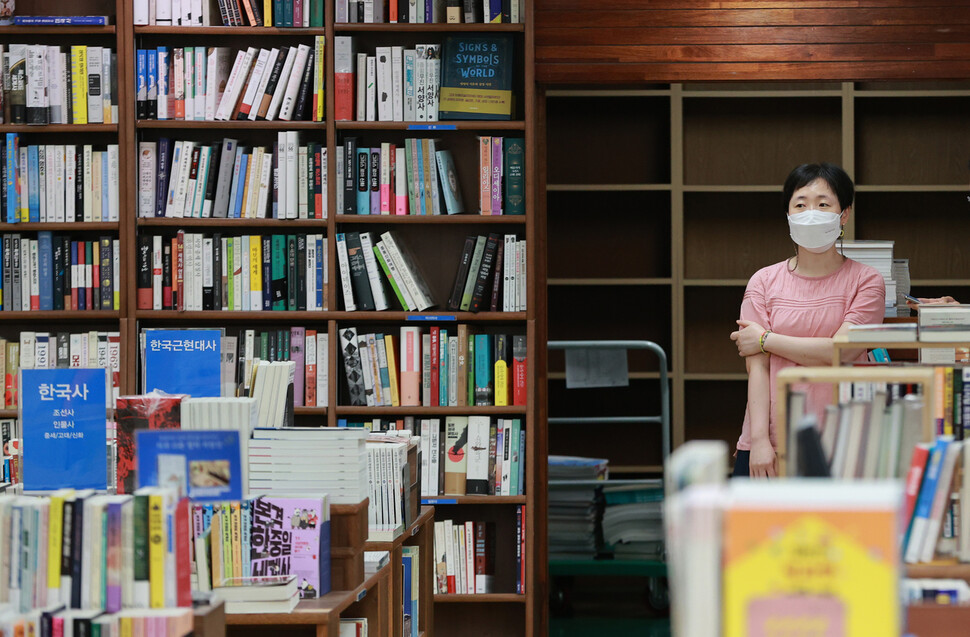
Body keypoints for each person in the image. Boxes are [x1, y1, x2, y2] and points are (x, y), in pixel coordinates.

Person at [729, 163, 886, 478]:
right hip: (770, 439)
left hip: (844, 437)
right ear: (788, 215)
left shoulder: (867, 281)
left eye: (823, 203)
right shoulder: (763, 281)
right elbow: (757, 368)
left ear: (844, 215)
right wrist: (759, 440)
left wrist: (766, 340)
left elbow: (840, 352)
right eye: (800, 204)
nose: (810, 212)